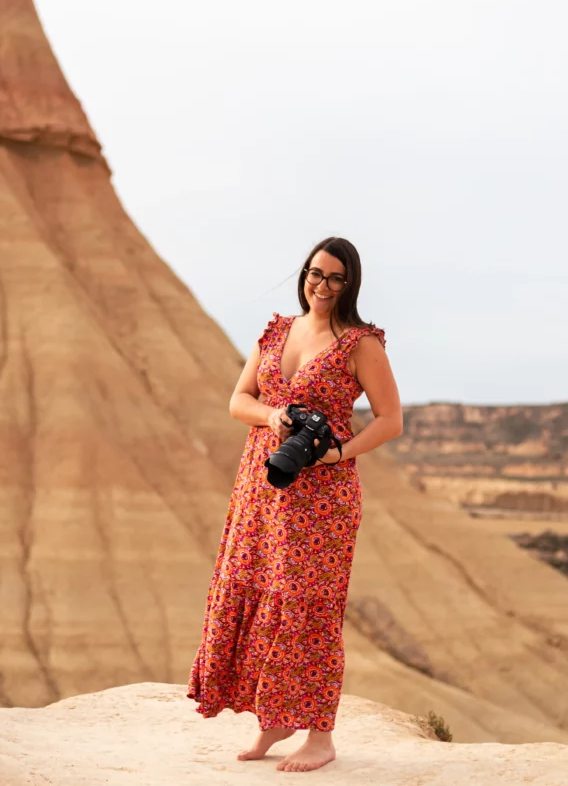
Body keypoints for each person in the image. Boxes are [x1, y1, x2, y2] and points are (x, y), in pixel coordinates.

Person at [187, 236, 403, 772]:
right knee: (260, 596)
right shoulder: (277, 330)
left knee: (310, 609)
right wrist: (272, 417)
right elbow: (239, 400)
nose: (321, 285)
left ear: (349, 283)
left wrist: (340, 454)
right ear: (303, 273)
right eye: (314, 273)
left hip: (322, 500)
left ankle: (320, 735)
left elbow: (390, 419)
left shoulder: (360, 343)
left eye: (334, 277)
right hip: (262, 488)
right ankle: (275, 719)